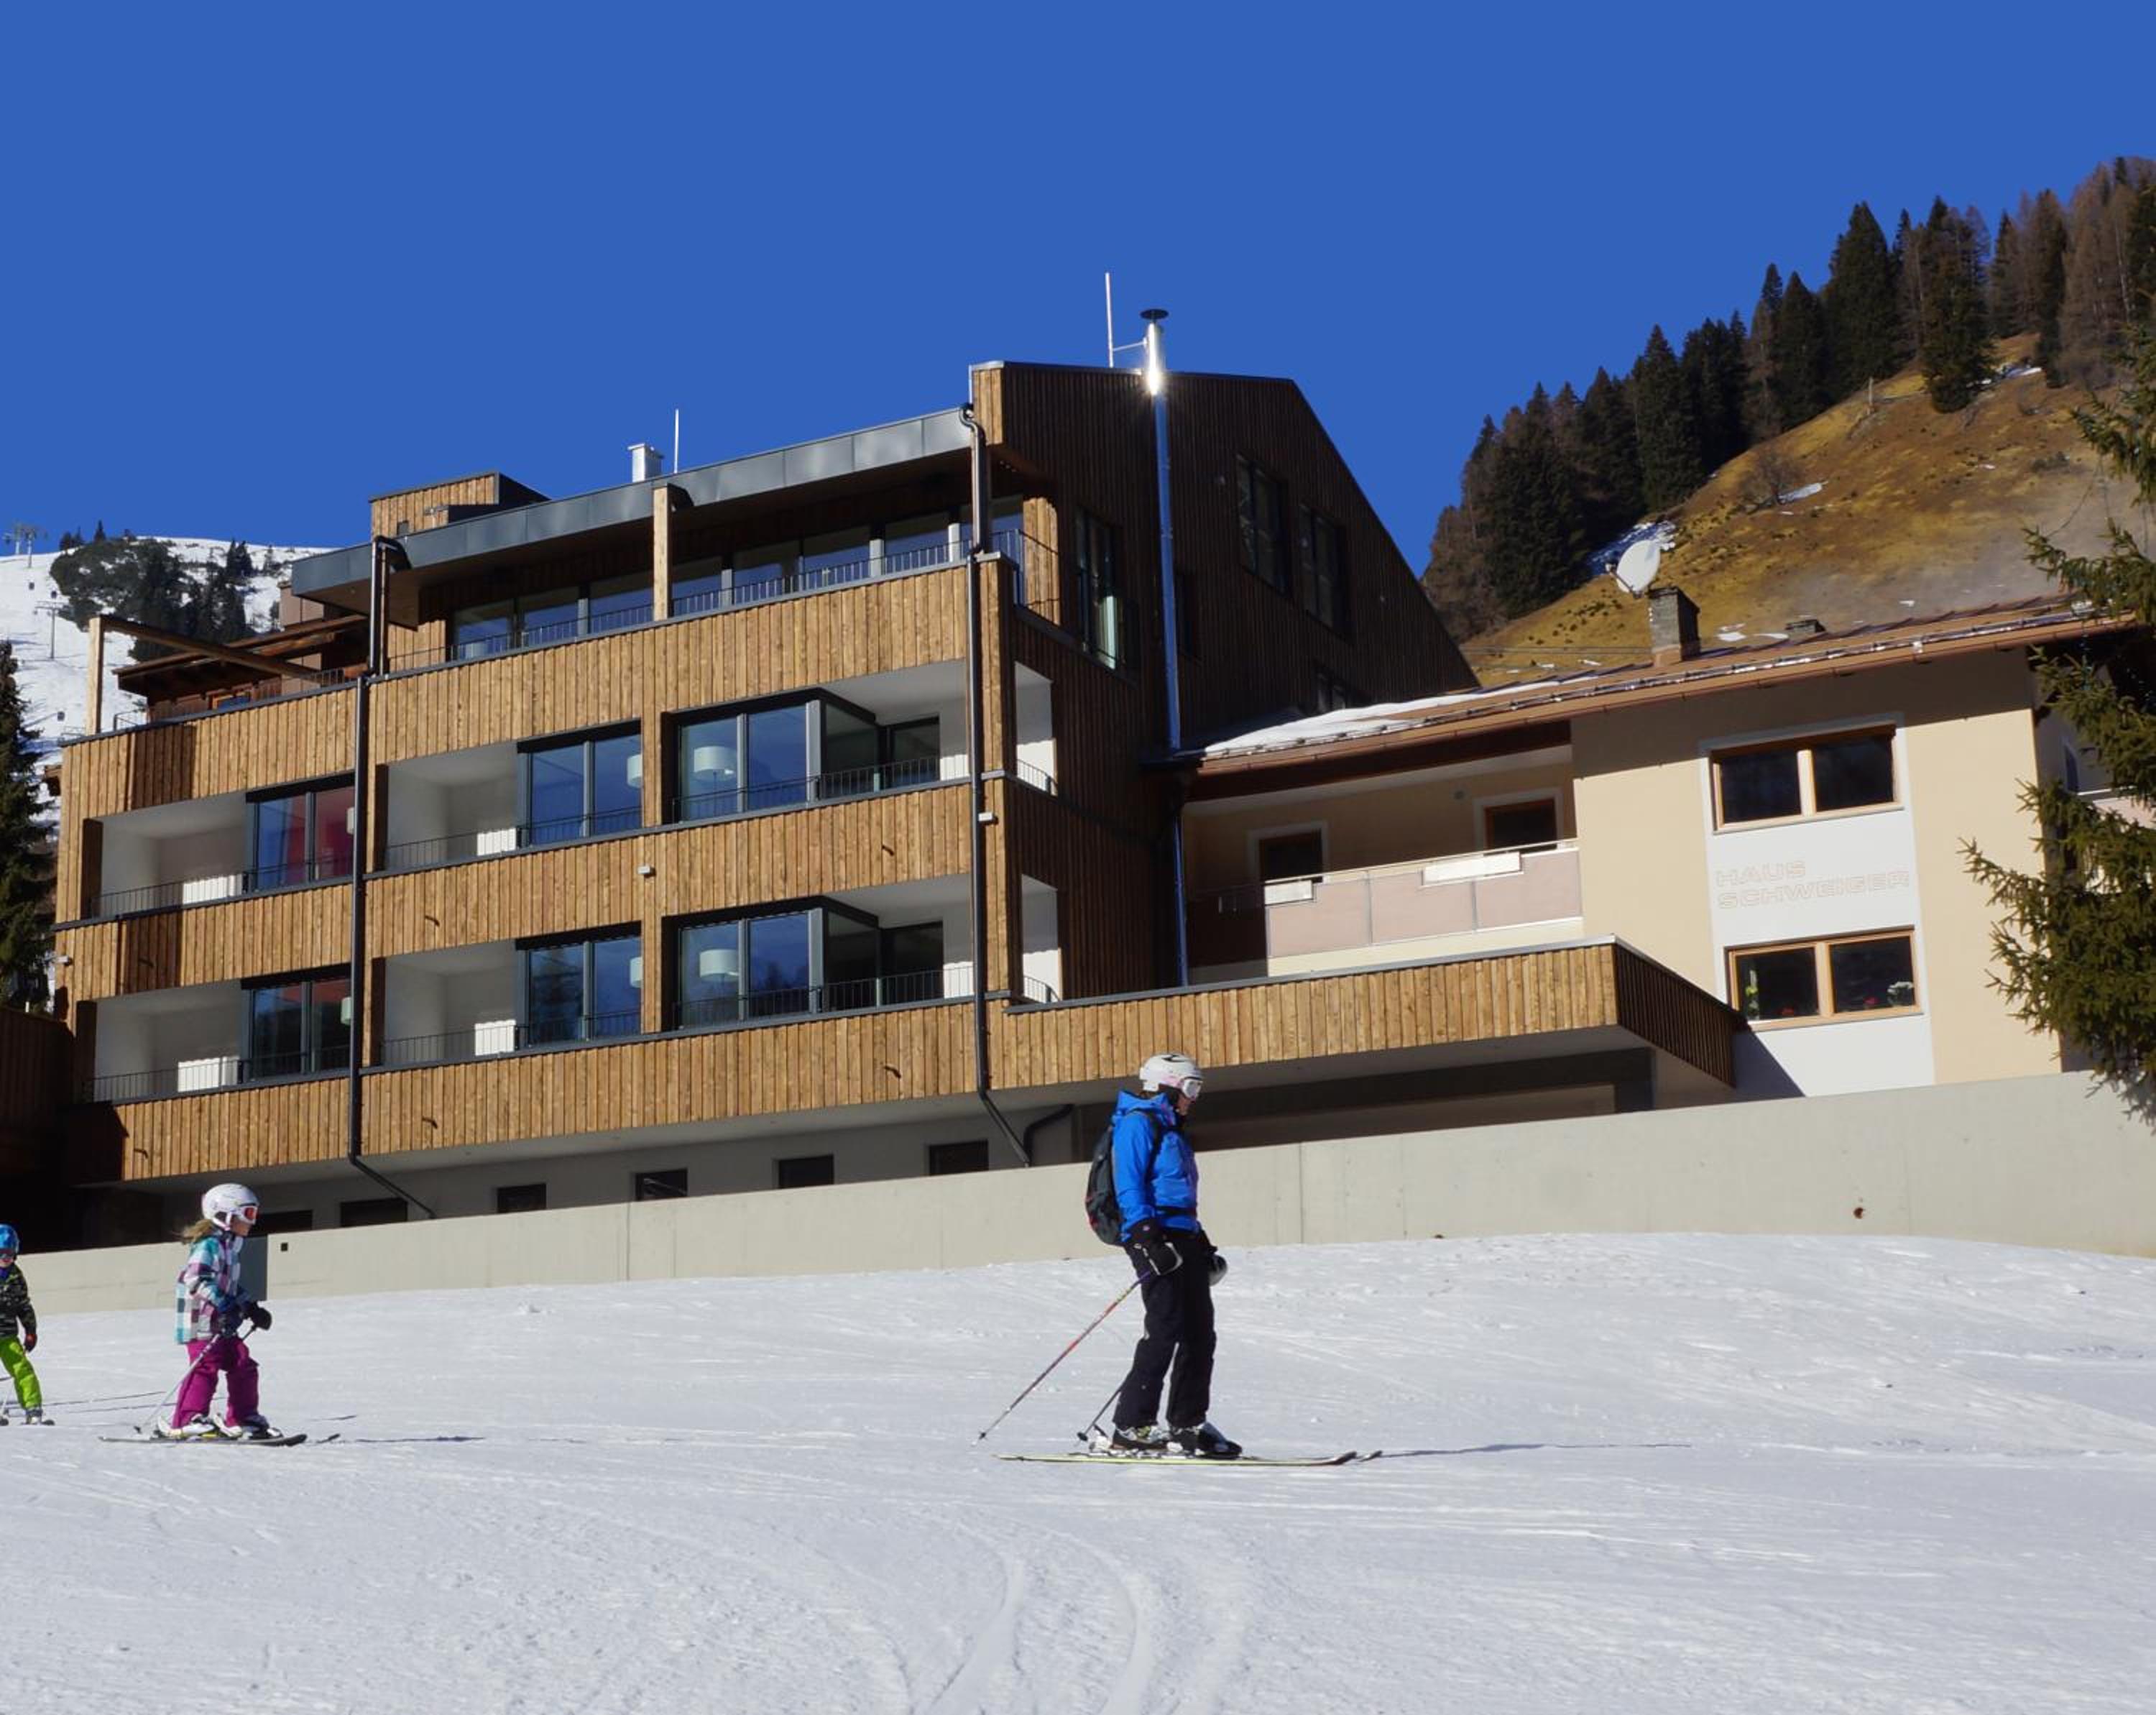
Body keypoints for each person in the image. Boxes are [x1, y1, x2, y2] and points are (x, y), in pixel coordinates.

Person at [1094, 1052, 1242, 1459]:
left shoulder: (1172, 1128)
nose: (1194, 1097)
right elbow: (1130, 1183)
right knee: (1165, 1327)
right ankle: (1131, 1426)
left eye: (1198, 1089)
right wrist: (1146, 1237)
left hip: (1183, 1233)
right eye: (1191, 1088)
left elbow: (1179, 1193)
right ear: (1167, 1085)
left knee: (1200, 1331)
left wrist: (1201, 1242)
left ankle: (1187, 1424)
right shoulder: (1138, 1122)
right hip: (1152, 1233)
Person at [160, 1182, 279, 1441]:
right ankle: (188, 1419)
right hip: (200, 1319)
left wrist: (250, 1307)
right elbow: (195, 1279)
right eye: (248, 1214)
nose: (252, 1222)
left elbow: (229, 1286)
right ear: (225, 1214)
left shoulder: (230, 1248)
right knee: (205, 1366)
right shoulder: (209, 1245)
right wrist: (224, 1304)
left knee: (243, 1363)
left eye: (254, 1214)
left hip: (222, 1321)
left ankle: (243, 1419)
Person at [0, 1223, 44, 1425]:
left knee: (23, 1369)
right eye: (1, 1253)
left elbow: (24, 1306)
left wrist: (30, 1331)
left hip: (7, 1336)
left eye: (9, 1253)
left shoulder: (16, 1277)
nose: (5, 1258)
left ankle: (33, 1408)